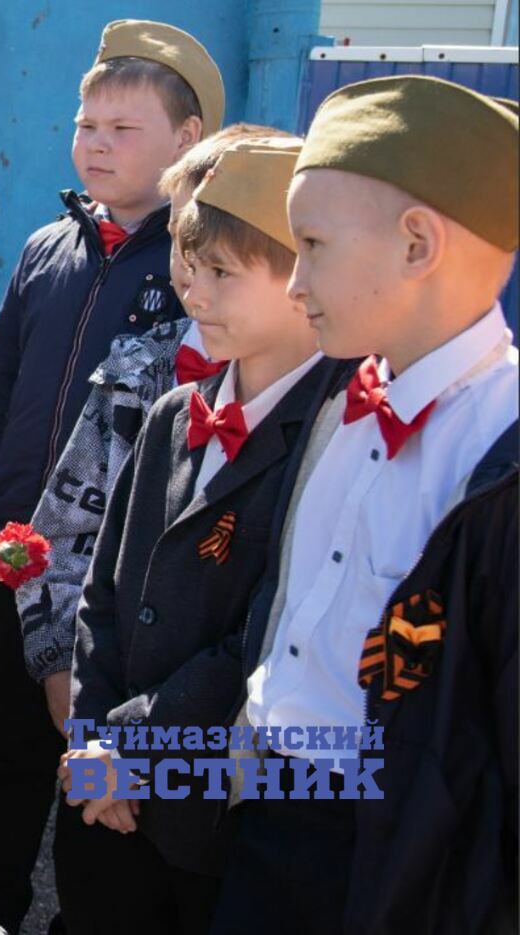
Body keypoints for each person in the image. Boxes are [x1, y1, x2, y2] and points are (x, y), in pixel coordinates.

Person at [214, 76, 518, 934]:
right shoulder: (342, 399)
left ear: (418, 241)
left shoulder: (501, 456)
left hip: (395, 864)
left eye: (311, 244)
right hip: (272, 811)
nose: (295, 279)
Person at [0, 19, 223, 929]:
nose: (95, 144)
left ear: (188, 141)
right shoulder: (49, 248)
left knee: (99, 793)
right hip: (18, 561)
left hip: (115, 588)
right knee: (9, 762)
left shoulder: (197, 273)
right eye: (86, 124)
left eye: (123, 128)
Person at [59, 136, 342, 935]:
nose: (196, 294)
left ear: (300, 278)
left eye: (223, 273)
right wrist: (92, 741)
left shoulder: (332, 433)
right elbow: (103, 596)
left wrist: (129, 746)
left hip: (215, 812)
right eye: (191, 267)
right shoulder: (173, 417)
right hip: (106, 801)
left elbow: (265, 634)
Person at [17, 123, 279, 728]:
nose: (190, 268)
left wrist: (133, 741)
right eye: (181, 237)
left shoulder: (330, 409)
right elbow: (63, 532)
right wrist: (65, 670)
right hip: (103, 711)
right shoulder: (137, 374)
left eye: (217, 251)